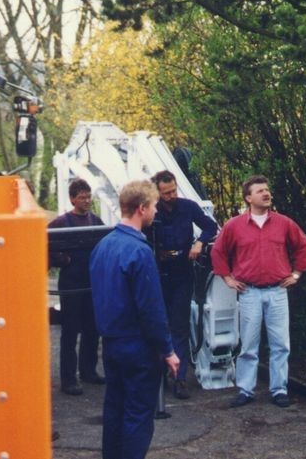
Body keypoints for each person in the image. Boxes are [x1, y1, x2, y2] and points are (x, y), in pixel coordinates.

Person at [90, 179, 180, 459]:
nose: (156, 212)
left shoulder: (102, 246)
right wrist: (168, 350)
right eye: (154, 206)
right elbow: (151, 309)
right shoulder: (140, 252)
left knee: (114, 410)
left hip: (111, 343)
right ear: (142, 208)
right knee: (138, 416)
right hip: (138, 347)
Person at [211, 174, 306, 409]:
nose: (266, 194)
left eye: (267, 190)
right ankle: (246, 390)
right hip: (249, 293)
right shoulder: (234, 225)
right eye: (260, 191)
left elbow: (304, 245)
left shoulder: (284, 223)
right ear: (248, 198)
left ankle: (279, 390)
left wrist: (297, 274)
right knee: (248, 345)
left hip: (277, 291)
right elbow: (218, 251)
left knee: (280, 344)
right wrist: (227, 277)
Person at [149, 169, 219, 400]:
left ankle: (179, 378)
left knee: (180, 325)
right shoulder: (151, 210)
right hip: (158, 274)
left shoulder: (188, 207)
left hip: (182, 272)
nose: (170, 196)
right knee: (159, 324)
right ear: (157, 193)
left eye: (173, 191)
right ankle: (157, 375)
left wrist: (199, 242)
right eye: (165, 193)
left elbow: (210, 226)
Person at [48, 178, 105, 395]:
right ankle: (68, 379)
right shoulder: (61, 222)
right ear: (72, 199)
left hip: (91, 283)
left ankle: (88, 371)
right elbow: (43, 241)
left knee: (92, 328)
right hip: (71, 283)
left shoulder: (96, 221)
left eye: (88, 196)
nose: (86, 201)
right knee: (70, 331)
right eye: (82, 197)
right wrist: (62, 260)